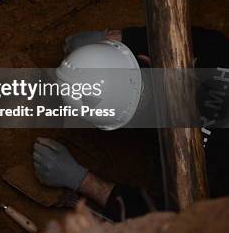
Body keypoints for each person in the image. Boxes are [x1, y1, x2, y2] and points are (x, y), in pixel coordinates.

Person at [33, 26, 229, 220]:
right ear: (146, 60)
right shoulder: (218, 53)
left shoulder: (185, 176)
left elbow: (167, 218)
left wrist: (80, 180)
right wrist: (119, 38)